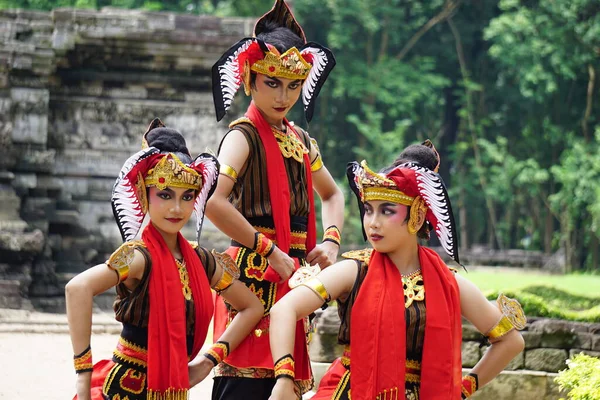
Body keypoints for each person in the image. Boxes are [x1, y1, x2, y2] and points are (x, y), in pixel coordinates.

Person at [268, 143, 526, 399]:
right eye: (368, 211)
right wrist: (283, 378)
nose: (373, 223)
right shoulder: (354, 271)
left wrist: (462, 390)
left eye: (387, 211)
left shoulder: (447, 283)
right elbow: (284, 309)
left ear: (416, 215)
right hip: (356, 392)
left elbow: (511, 342)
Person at [66, 119, 264, 400]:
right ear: (144, 194)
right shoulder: (138, 257)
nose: (176, 208)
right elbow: (77, 288)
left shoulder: (201, 260)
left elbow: (252, 307)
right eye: (165, 195)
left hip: (175, 384)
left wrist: (208, 361)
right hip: (128, 388)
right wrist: (83, 381)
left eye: (187, 197)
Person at [206, 0, 344, 398]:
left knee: (283, 387)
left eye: (293, 85)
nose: (284, 96)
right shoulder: (242, 136)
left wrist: (332, 241)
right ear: (250, 79)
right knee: (242, 383)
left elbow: (332, 194)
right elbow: (214, 202)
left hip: (292, 273)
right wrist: (270, 251)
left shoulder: (301, 141)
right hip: (253, 275)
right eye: (272, 83)